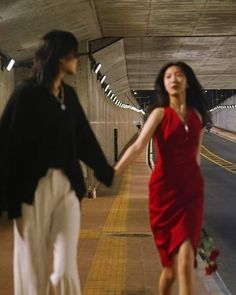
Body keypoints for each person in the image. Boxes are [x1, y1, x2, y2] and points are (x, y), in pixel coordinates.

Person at [0, 30, 114, 295]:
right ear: (61, 57)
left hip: (66, 188)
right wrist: (7, 197)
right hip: (31, 190)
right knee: (32, 269)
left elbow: (84, 139)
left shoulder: (69, 96)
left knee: (65, 269)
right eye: (73, 54)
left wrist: (104, 171)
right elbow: (5, 145)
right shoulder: (25, 95)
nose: (77, 59)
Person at [114, 61, 210, 295]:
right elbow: (138, 146)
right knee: (169, 271)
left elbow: (195, 156)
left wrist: (196, 190)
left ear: (187, 81)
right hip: (164, 194)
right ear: (163, 84)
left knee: (186, 262)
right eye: (168, 76)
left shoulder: (196, 116)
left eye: (179, 75)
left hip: (191, 194)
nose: (174, 79)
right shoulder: (159, 114)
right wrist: (113, 172)